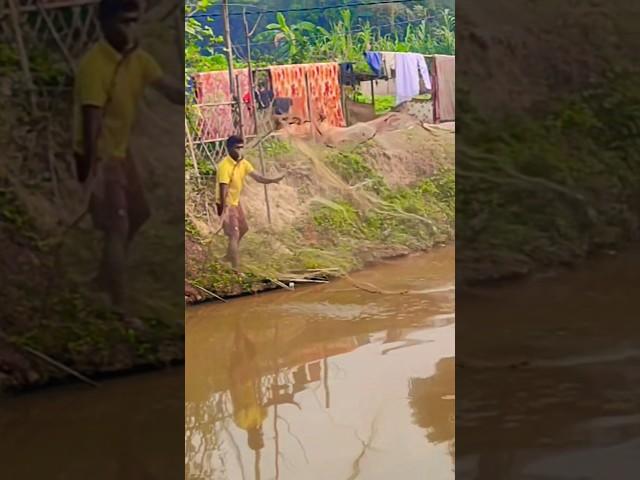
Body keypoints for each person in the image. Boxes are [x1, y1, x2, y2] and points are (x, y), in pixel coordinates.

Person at [73, 0, 183, 327]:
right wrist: (91, 171)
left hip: (120, 153)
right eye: (123, 23)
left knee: (138, 214)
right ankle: (119, 309)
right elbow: (90, 121)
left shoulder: (138, 60)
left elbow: (169, 89)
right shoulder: (95, 66)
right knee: (117, 227)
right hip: (100, 155)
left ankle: (102, 278)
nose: (130, 30)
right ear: (105, 25)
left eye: (134, 22)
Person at [215, 135, 285, 270]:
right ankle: (236, 269)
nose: (240, 151)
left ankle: (230, 255)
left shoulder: (243, 163)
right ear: (229, 149)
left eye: (242, 148)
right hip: (226, 203)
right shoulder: (225, 166)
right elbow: (223, 189)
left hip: (235, 202)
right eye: (237, 148)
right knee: (234, 234)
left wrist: (272, 180)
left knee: (243, 229)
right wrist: (224, 210)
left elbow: (258, 177)